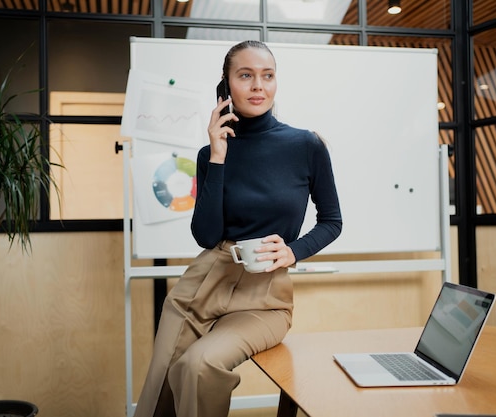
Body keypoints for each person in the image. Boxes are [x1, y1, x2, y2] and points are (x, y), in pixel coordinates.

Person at [133, 39, 342, 417]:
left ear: (276, 83)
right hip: (203, 284)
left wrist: (293, 251)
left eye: (267, 76)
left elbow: (332, 221)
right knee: (159, 391)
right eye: (245, 75)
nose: (258, 85)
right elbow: (206, 236)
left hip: (264, 298)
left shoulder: (306, 145)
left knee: (198, 367)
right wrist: (216, 156)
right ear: (226, 87)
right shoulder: (209, 152)